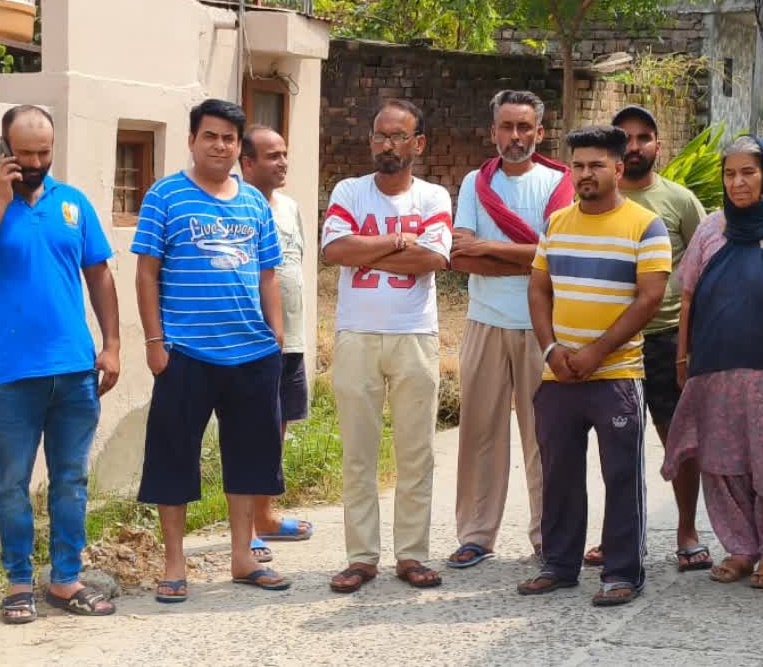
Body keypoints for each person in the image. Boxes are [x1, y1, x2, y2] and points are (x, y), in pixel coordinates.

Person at [0, 105, 119, 623]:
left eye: (46, 153)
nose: (38, 162)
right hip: (11, 375)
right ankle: (19, 582)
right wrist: (0, 202)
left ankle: (66, 580)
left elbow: (100, 275)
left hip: (74, 370)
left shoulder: (73, 204)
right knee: (12, 484)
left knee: (70, 480)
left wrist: (111, 344)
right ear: (4, 150)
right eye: (26, 153)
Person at [132, 99, 289, 603]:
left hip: (251, 353)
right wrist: (156, 343)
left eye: (229, 138)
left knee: (249, 457)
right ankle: (174, 564)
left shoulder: (254, 204)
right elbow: (146, 272)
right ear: (192, 140)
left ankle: (243, 557)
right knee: (173, 457)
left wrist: (277, 334)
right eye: (210, 136)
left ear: (239, 147)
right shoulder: (165, 196)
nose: (219, 146)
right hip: (186, 354)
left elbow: (268, 274)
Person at [517, 125, 671, 607]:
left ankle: (623, 572)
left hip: (617, 376)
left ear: (618, 169)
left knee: (621, 474)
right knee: (558, 473)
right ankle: (560, 566)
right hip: (557, 374)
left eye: (596, 165)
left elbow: (650, 298)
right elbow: (539, 288)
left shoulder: (645, 225)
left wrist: (596, 352)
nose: (585, 174)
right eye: (578, 165)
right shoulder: (557, 223)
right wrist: (550, 350)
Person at [321, 100, 453, 593]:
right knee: (358, 453)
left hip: (415, 333)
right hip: (356, 334)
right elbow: (335, 251)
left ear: (418, 144)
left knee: (415, 453)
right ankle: (361, 558)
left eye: (399, 137)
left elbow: (434, 259)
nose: (387, 145)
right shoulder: (349, 190)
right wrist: (398, 243)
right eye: (380, 136)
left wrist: (369, 251)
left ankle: (412, 555)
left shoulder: (433, 195)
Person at [663, 135, 763, 589]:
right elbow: (688, 296)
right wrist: (683, 355)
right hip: (713, 363)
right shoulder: (711, 228)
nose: (738, 182)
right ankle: (740, 547)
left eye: (749, 171)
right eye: (730, 174)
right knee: (720, 461)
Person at [447, 90, 573, 568]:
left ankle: (549, 535)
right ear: (493, 131)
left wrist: (490, 249)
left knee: (545, 438)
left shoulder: (558, 184)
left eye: (524, 128)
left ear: (540, 133)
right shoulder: (476, 183)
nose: (515, 136)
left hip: (543, 327)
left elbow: (558, 256)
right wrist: (528, 258)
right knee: (479, 433)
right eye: (506, 127)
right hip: (485, 322)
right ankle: (476, 535)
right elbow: (460, 256)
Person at [581, 105, 710, 571]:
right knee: (616, 444)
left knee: (678, 441)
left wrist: (691, 343)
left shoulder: (680, 201)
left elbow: (703, 271)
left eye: (643, 137)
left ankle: (687, 531)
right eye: (625, 138)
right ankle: (616, 535)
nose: (634, 146)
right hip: (609, 343)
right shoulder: (592, 203)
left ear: (659, 144)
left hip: (666, 342)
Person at [239, 125, 314, 562]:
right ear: (247, 163)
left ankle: (265, 516)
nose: (282, 162)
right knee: (251, 433)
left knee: (277, 430)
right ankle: (245, 528)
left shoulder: (290, 207)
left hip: (293, 338)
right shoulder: (236, 208)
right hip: (254, 342)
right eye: (272, 156)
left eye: (284, 154)